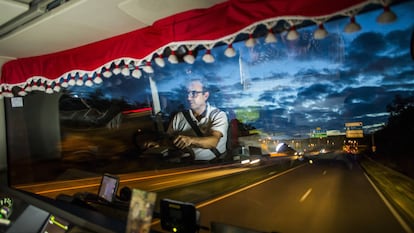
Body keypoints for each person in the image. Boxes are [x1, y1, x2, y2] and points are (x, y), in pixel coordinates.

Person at [167, 78, 228, 162]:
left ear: (205, 95)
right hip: (185, 165)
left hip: (213, 165)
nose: (189, 98)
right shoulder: (179, 117)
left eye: (194, 93)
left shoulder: (218, 115)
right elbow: (168, 139)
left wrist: (190, 140)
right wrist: (157, 144)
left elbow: (213, 141)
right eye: (187, 93)